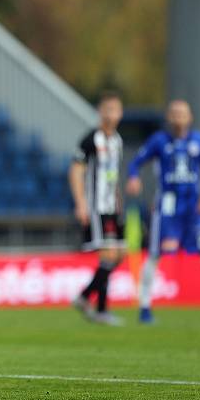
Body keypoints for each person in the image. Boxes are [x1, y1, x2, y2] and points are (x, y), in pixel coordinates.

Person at [126, 99, 200, 325]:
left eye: (182, 114)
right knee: (155, 254)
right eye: (174, 113)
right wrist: (133, 177)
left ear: (190, 117)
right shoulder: (159, 141)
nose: (178, 118)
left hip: (193, 206)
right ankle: (145, 308)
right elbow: (135, 162)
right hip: (167, 206)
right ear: (168, 117)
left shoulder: (199, 140)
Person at [68, 91, 126, 326]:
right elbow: (75, 170)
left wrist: (119, 198)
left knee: (118, 255)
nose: (112, 114)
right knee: (108, 254)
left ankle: (86, 298)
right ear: (100, 112)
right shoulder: (90, 139)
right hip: (95, 206)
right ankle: (98, 307)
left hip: (112, 205)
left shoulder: (117, 141)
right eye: (108, 109)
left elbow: (113, 176)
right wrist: (81, 203)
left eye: (116, 110)